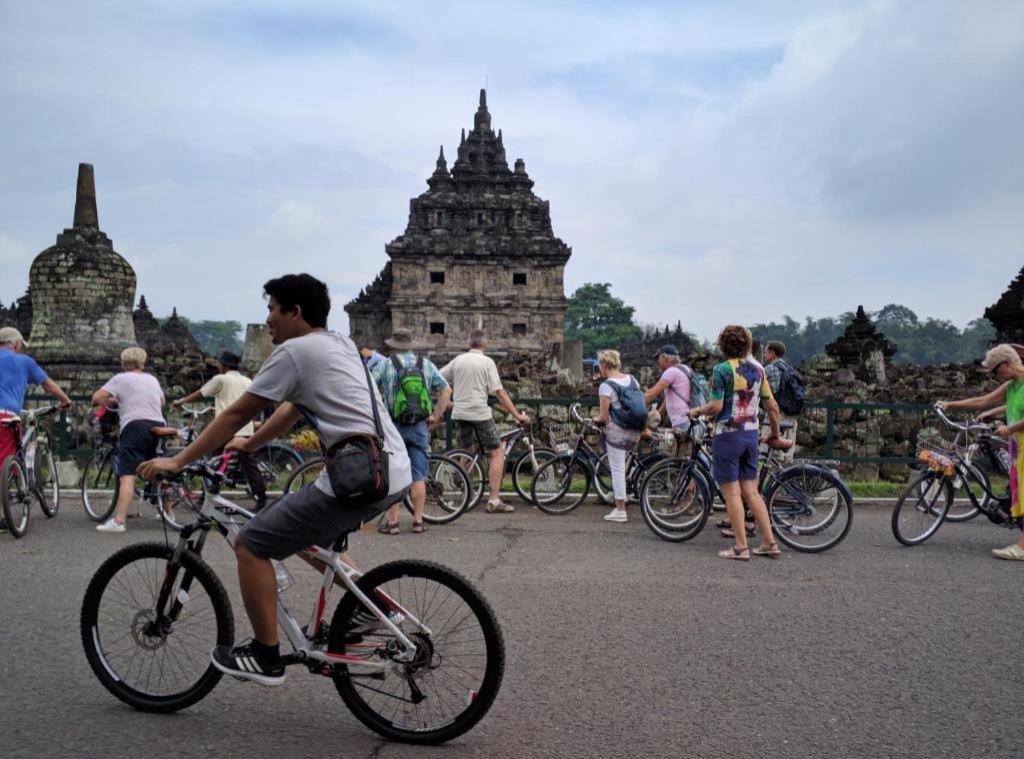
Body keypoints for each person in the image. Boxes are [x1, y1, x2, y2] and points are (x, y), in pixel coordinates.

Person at [140, 273, 412, 686]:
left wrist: (177, 461)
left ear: (294, 312)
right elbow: (293, 409)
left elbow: (235, 413)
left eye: (272, 309)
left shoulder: (295, 352)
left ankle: (267, 655)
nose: (267, 318)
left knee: (251, 543)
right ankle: (379, 610)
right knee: (304, 533)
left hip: (359, 476)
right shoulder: (338, 343)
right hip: (390, 468)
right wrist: (250, 446)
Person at [689, 325, 782, 560]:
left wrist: (697, 411)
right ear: (747, 346)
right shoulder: (758, 371)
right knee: (752, 493)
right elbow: (771, 406)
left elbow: (716, 407)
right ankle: (770, 543)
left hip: (728, 435)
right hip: (751, 434)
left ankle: (740, 546)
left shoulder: (722, 370)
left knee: (732, 493)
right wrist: (774, 432)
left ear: (722, 345)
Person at [936, 343, 1024, 561]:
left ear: (1007, 363)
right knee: (1018, 492)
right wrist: (950, 404)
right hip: (1018, 445)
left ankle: (1022, 548)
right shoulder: (1012, 385)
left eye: (996, 370)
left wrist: (1009, 428)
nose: (995, 375)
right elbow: (983, 400)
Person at [371, 328, 451, 534]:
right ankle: (417, 521)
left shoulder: (386, 365)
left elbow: (368, 388)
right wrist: (435, 416)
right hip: (419, 427)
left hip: (393, 427)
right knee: (418, 475)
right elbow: (446, 390)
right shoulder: (425, 365)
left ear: (394, 345)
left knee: (394, 474)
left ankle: (393, 523)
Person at [440, 329, 529, 513]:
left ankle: (462, 490)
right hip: (479, 413)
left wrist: (447, 403)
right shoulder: (487, 362)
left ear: (468, 343)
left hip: (460, 413)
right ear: (485, 344)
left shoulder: (458, 360)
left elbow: (437, 379)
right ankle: (494, 500)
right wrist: (516, 415)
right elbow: (500, 393)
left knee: (467, 450)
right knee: (496, 453)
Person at [172, 350, 267, 510]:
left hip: (226, 430)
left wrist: (181, 401)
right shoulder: (247, 380)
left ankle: (207, 497)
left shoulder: (220, 379)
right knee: (248, 463)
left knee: (212, 461)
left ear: (223, 365)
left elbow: (200, 393)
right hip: (245, 428)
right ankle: (261, 497)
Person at [0, 327, 73, 532]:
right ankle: (1, 516)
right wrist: (65, 400)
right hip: (5, 417)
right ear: (16, 344)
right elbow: (48, 384)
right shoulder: (23, 361)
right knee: (5, 464)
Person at [91, 346, 167, 532]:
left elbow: (96, 398)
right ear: (142, 361)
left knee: (128, 475)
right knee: (158, 470)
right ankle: (168, 513)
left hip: (135, 426)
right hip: (158, 424)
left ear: (124, 362)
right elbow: (162, 401)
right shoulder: (152, 379)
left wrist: (110, 401)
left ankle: (118, 521)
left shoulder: (121, 378)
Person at [594, 349, 643, 523]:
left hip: (618, 434)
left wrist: (595, 419)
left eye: (599, 364)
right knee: (623, 467)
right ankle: (620, 493)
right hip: (635, 431)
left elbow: (604, 416)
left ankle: (620, 509)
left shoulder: (606, 386)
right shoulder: (632, 379)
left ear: (604, 365)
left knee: (617, 470)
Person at [644, 344, 693, 456]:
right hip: (689, 420)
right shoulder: (685, 368)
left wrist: (633, 403)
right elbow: (671, 398)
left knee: (680, 463)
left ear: (665, 358)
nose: (658, 361)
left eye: (659, 358)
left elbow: (651, 394)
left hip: (682, 421)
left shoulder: (671, 372)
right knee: (682, 460)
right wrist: (658, 414)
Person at [763, 340, 797, 463]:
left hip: (775, 415)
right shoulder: (790, 368)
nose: (764, 355)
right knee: (786, 458)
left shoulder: (769, 369)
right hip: (790, 416)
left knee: (771, 456)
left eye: (766, 352)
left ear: (772, 353)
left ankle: (773, 480)